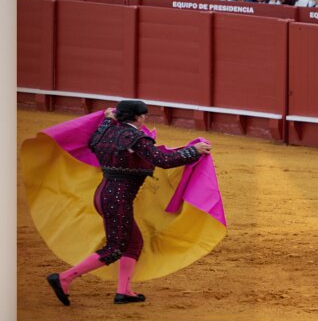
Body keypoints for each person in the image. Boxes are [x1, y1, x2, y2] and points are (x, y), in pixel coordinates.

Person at [46, 100, 212, 306]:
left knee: (133, 243)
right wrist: (193, 151)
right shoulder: (136, 138)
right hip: (118, 198)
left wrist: (107, 120)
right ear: (139, 117)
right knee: (116, 247)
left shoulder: (106, 132)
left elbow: (92, 142)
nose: (145, 119)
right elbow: (163, 160)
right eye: (144, 116)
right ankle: (64, 278)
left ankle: (124, 291)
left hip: (104, 195)